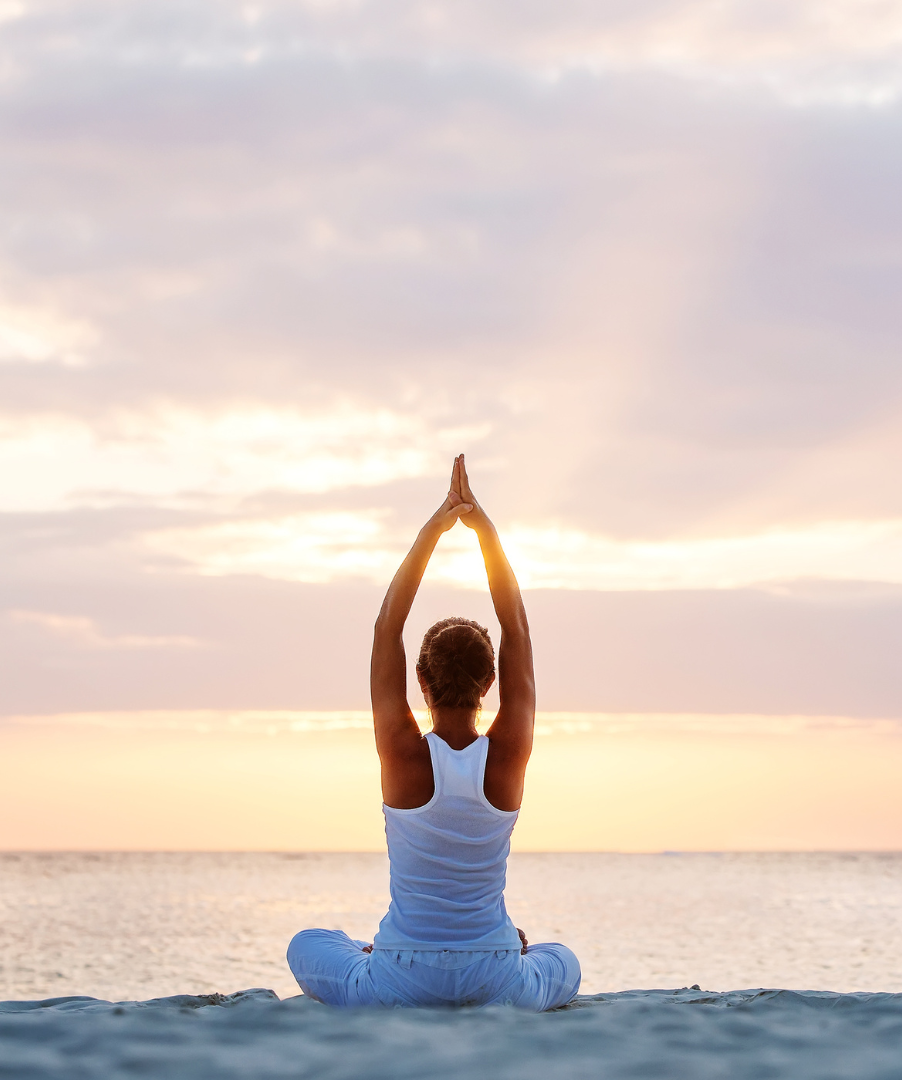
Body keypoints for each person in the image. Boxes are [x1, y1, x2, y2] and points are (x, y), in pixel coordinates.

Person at [287, 455, 581, 1010]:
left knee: (307, 944)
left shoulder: (401, 755)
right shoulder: (507, 756)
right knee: (563, 959)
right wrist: (484, 532)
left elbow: (386, 626)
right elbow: (515, 624)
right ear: (491, 682)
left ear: (419, 679)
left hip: (401, 976)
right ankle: (500, 948)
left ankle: (374, 951)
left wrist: (434, 529)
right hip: (496, 975)